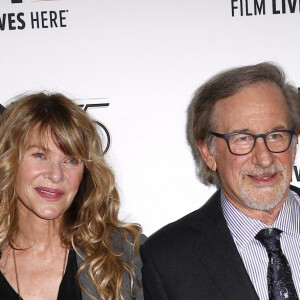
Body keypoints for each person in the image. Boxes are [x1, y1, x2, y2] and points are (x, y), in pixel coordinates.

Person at [141, 62, 300, 299]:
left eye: (276, 135)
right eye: (243, 139)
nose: (265, 159)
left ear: (294, 143)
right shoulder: (167, 260)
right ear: (208, 152)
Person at [0, 92, 145, 300]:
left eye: (71, 160)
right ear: (9, 160)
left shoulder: (124, 254)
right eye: (40, 155)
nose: (56, 175)